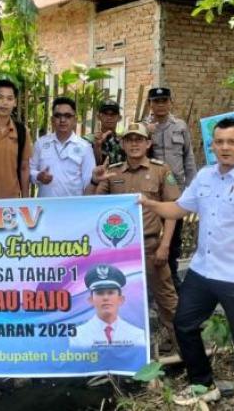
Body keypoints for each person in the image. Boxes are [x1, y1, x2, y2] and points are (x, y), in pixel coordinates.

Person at [141, 117, 234, 411]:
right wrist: (151, 204)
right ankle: (204, 385)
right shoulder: (204, 177)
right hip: (202, 272)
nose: (225, 147)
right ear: (212, 145)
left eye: (232, 142)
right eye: (220, 142)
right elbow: (179, 208)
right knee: (183, 324)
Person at [87, 122, 179, 352]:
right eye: (129, 140)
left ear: (148, 143)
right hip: (119, 251)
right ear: (122, 144)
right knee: (120, 301)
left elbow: (172, 209)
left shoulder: (160, 170)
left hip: (150, 247)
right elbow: (91, 205)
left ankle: (183, 348)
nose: (134, 144)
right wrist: (96, 180)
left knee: (167, 300)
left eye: (139, 139)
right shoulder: (113, 172)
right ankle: (123, 352)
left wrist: (165, 245)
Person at [145, 87, 197, 290]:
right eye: (156, 101)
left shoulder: (180, 126)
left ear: (170, 102)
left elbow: (188, 157)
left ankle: (173, 277)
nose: (160, 105)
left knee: (174, 236)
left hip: (176, 192)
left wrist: (192, 187)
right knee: (151, 236)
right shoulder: (143, 127)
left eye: (164, 101)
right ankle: (150, 281)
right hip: (152, 192)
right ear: (150, 104)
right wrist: (147, 132)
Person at [30, 96, 95, 197]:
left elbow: (89, 181)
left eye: (68, 116)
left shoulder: (85, 147)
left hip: (73, 205)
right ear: (52, 120)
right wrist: (38, 176)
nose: (62, 120)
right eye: (58, 116)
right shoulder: (40, 143)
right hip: (45, 205)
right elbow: (29, 171)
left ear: (75, 120)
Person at [69, 264, 146, 348]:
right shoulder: (77, 336)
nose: (105, 298)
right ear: (91, 300)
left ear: (121, 299)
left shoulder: (137, 335)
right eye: (100, 293)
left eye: (111, 292)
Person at [84, 99, 126, 166]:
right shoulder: (88, 140)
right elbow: (92, 164)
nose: (109, 117)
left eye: (113, 114)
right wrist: (97, 146)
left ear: (119, 118)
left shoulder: (124, 141)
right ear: (98, 117)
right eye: (105, 114)